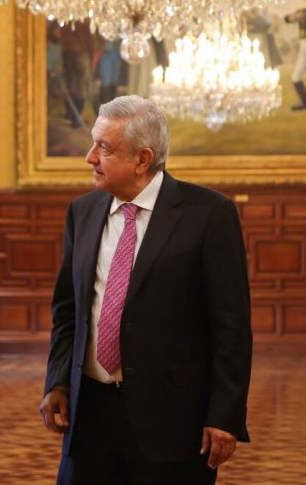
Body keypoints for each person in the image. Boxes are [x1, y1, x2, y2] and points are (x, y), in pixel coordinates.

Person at [39, 95, 252, 485]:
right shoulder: (82, 212)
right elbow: (67, 311)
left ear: (142, 159)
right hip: (90, 417)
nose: (89, 157)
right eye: (93, 143)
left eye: (104, 148)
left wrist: (225, 416)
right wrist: (56, 379)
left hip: (173, 423)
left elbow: (232, 328)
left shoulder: (209, 215)